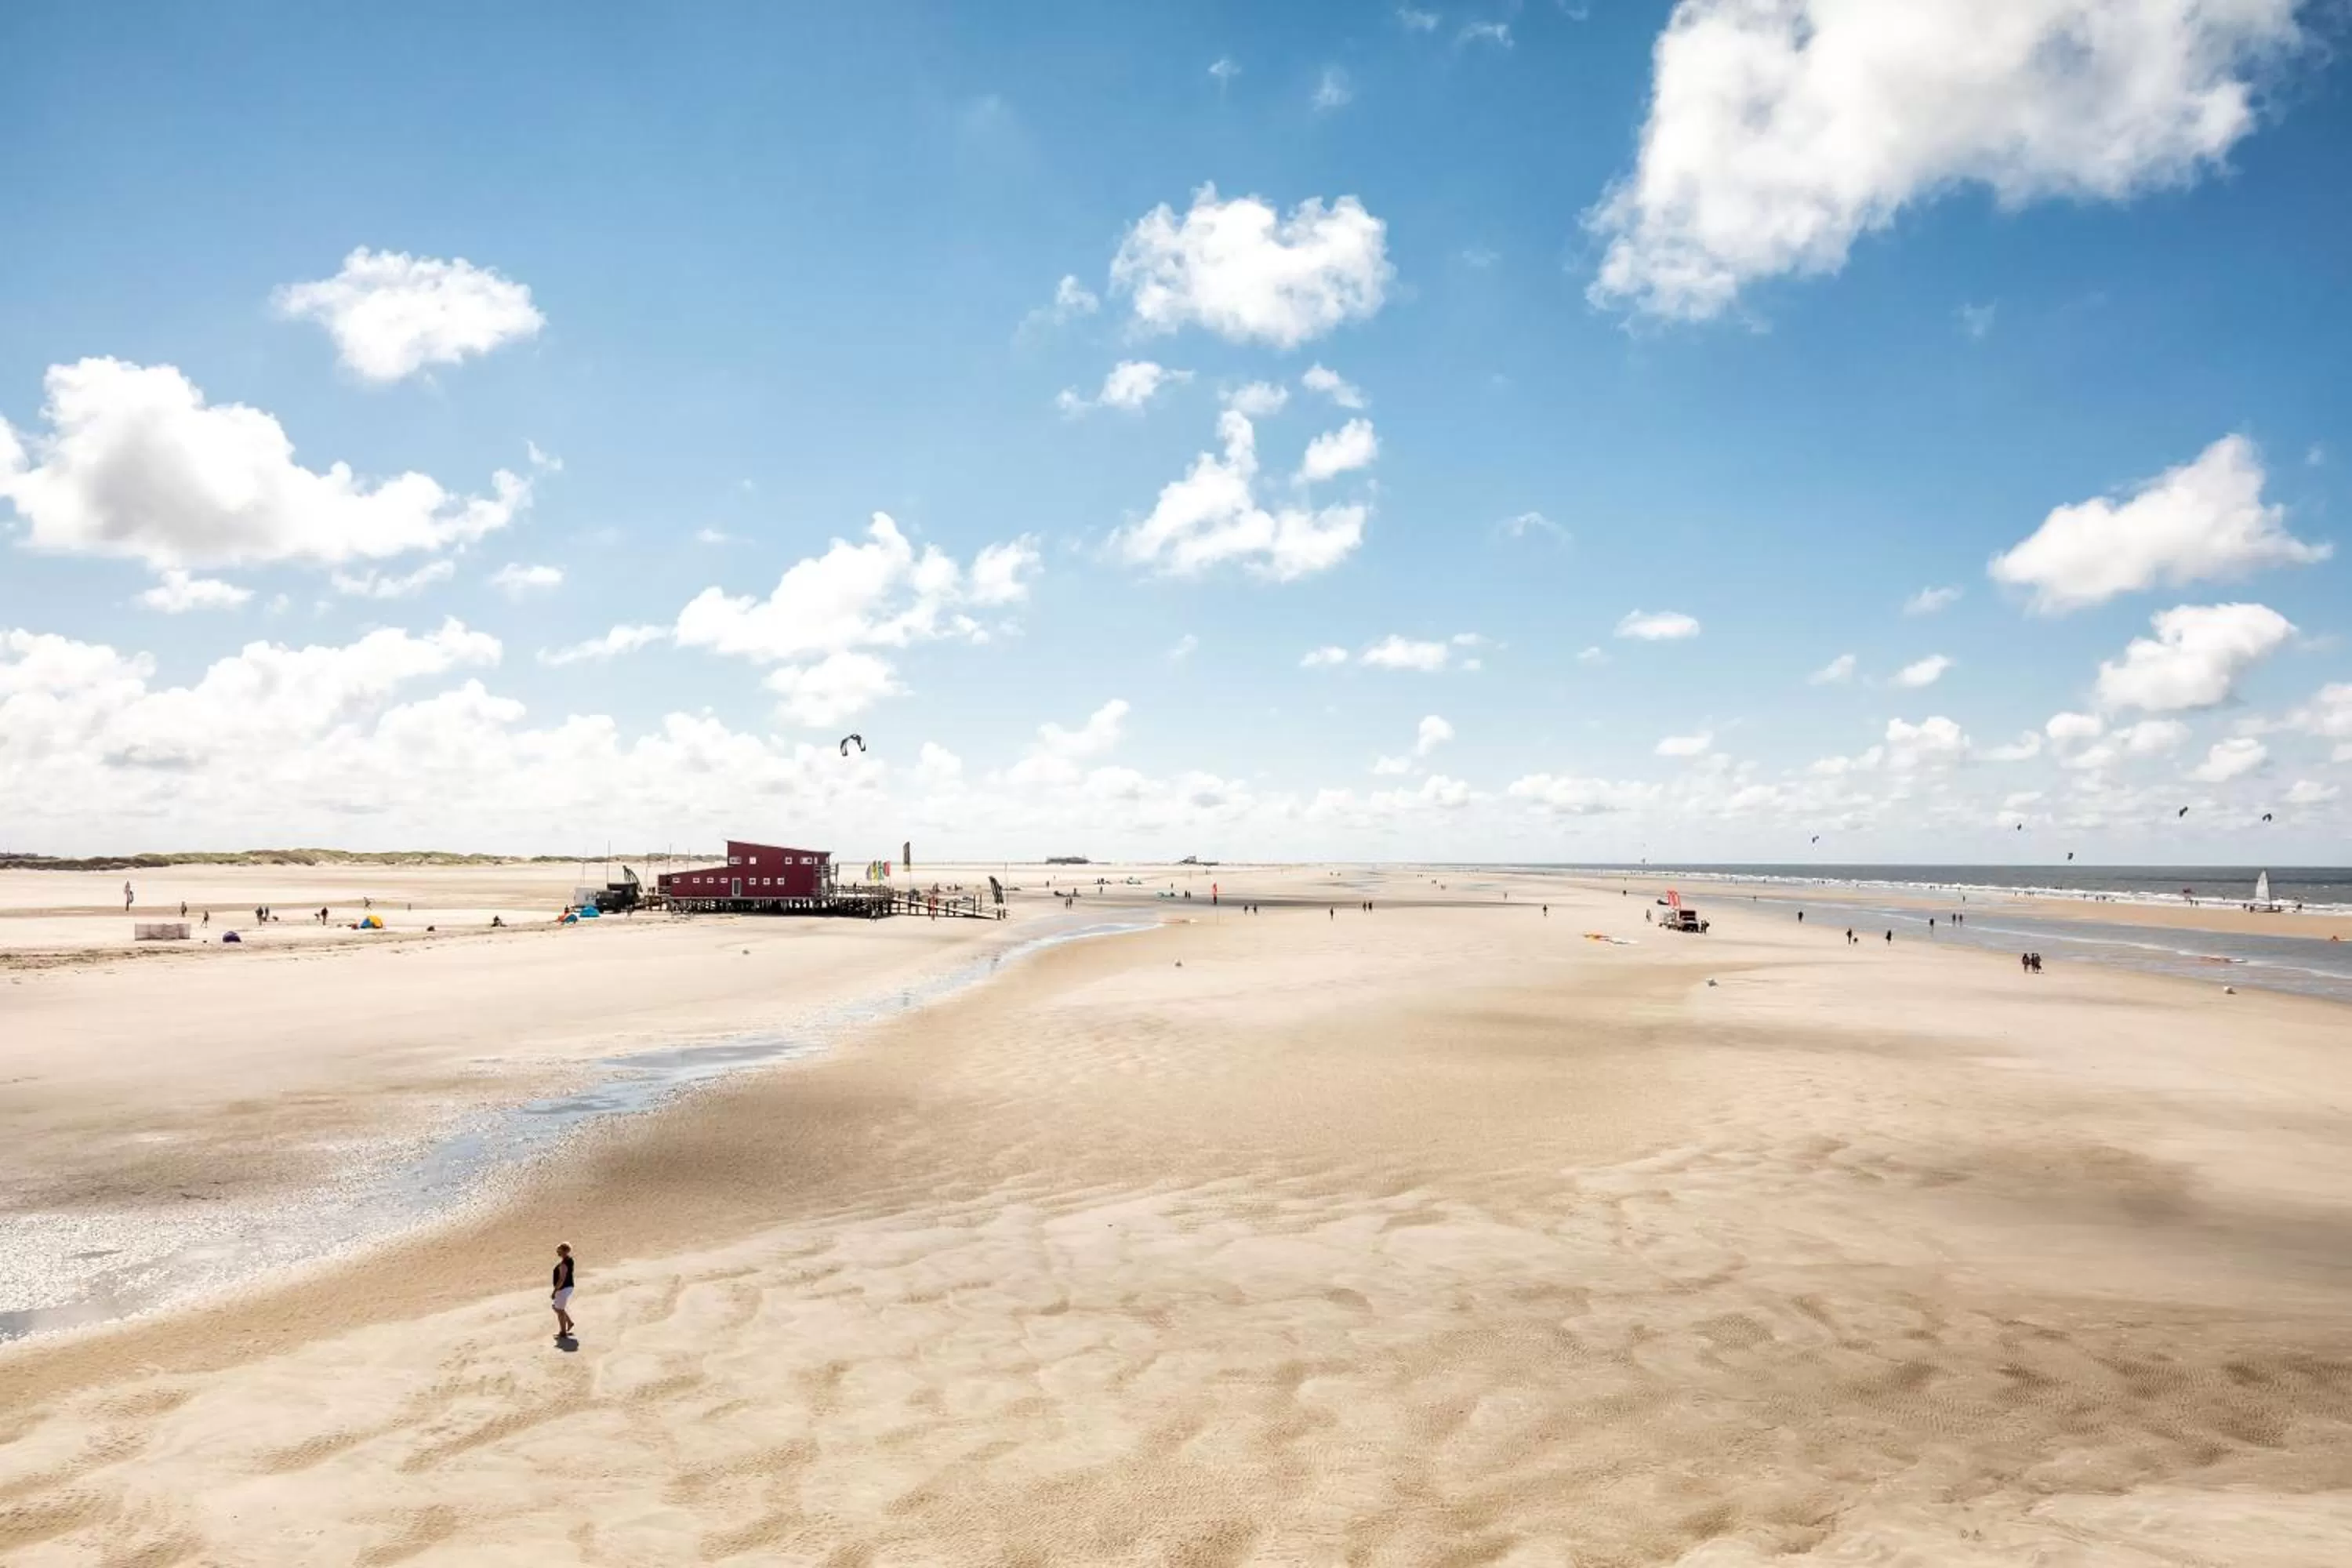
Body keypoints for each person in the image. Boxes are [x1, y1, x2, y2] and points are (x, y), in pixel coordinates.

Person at [551, 1243, 576, 1342]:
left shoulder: (564, 1264)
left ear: (564, 1251)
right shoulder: (569, 1260)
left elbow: (561, 1279)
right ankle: (569, 1323)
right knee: (556, 1307)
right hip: (568, 1287)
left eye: (559, 1250)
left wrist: (555, 1291)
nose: (557, 1252)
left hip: (563, 1288)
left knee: (559, 1310)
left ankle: (563, 1332)